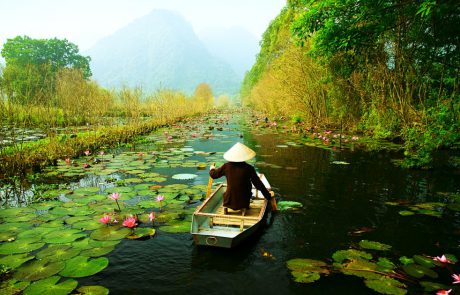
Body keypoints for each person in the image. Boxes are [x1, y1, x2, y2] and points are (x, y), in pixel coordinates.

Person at [209, 142, 276, 213]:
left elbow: (213, 175)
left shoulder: (226, 166)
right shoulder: (249, 168)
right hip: (243, 202)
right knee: (248, 188)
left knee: (229, 190)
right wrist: (268, 196)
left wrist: (212, 168)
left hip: (228, 201)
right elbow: (258, 185)